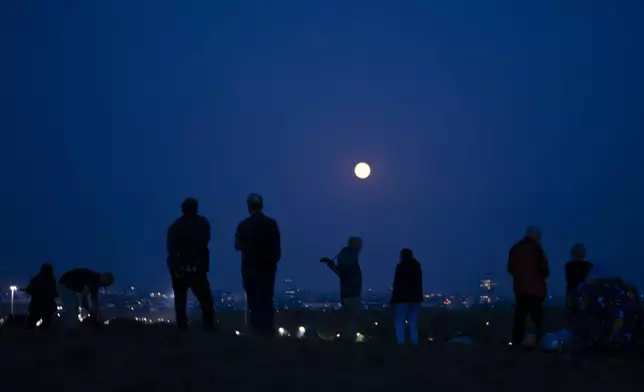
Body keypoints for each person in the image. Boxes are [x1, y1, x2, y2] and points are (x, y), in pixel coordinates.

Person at [235, 193, 281, 337]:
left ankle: (256, 330)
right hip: (267, 268)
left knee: (253, 301)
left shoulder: (243, 225)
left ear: (249, 207)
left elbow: (237, 246)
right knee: (267, 299)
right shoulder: (271, 224)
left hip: (250, 269)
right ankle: (267, 330)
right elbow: (277, 250)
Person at [167, 197, 216, 331]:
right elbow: (205, 242)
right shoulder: (202, 224)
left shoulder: (175, 227)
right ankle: (209, 327)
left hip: (180, 269)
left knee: (180, 301)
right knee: (205, 300)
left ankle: (182, 328)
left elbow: (171, 249)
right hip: (198, 268)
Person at [507, 226, 549, 347]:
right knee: (537, 318)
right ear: (536, 236)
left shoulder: (515, 248)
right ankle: (537, 342)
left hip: (520, 289)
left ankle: (517, 342)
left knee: (520, 317)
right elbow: (545, 270)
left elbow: (510, 268)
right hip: (536, 290)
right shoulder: (537, 249)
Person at [321, 236, 363, 342]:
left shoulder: (345, 255)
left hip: (347, 291)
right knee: (351, 318)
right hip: (352, 291)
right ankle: (348, 340)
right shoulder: (351, 256)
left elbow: (341, 272)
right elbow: (344, 273)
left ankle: (346, 339)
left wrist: (331, 265)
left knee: (348, 317)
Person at [390, 248, 423, 345]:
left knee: (399, 320)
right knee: (412, 321)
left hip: (402, 298)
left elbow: (397, 284)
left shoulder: (401, 266)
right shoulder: (417, 266)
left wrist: (393, 299)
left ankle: (401, 342)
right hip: (415, 298)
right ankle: (414, 341)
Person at [25, 263, 58, 329]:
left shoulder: (36, 279)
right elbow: (55, 293)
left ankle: (28, 337)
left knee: (31, 324)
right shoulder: (52, 280)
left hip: (36, 305)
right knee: (46, 325)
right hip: (48, 305)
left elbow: (28, 290)